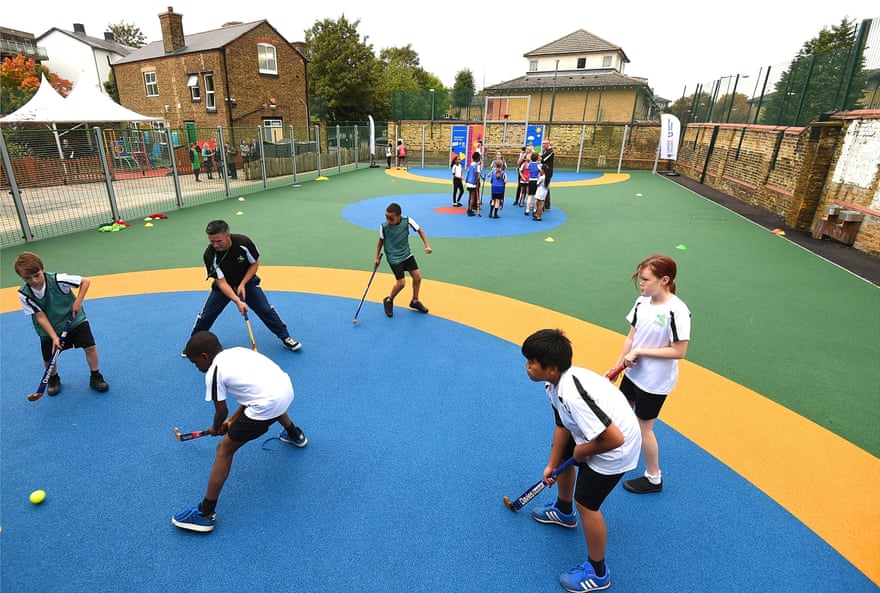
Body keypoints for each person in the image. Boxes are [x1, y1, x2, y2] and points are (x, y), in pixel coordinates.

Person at [521, 329, 640, 592]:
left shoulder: (573, 395)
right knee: (565, 452)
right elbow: (562, 426)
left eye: (531, 362)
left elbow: (614, 439)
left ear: (551, 368)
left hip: (616, 448)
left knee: (587, 503)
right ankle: (563, 512)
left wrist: (582, 452)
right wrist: (553, 464)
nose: (527, 367)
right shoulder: (553, 385)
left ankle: (598, 573)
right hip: (594, 434)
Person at [172, 330, 307, 533]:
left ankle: (206, 513)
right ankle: (295, 434)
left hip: (268, 404)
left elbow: (221, 410)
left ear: (204, 357)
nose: (197, 367)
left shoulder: (214, 372)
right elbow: (250, 396)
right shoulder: (237, 353)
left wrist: (217, 427)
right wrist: (232, 421)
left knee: (224, 449)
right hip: (286, 389)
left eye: (195, 363)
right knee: (268, 402)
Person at [615, 254, 691, 494]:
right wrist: (617, 367)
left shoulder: (677, 311)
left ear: (664, 280)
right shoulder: (641, 302)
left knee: (643, 427)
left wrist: (640, 352)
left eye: (646, 279)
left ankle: (653, 478)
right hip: (632, 373)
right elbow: (631, 337)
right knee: (620, 413)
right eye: (640, 279)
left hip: (654, 382)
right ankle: (617, 452)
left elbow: (679, 351)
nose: (641, 283)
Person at [186, 220, 302, 354]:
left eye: (218, 241)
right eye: (212, 241)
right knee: (207, 315)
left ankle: (286, 337)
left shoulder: (243, 243)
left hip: (247, 282)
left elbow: (254, 264)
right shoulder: (210, 255)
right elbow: (222, 282)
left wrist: (242, 284)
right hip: (224, 286)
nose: (215, 245)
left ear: (228, 235)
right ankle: (193, 346)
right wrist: (237, 301)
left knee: (265, 309)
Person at [14, 252, 109, 396]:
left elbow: (85, 281)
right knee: (49, 359)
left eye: (37, 275)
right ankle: (53, 378)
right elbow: (40, 316)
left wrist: (77, 302)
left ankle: (95, 376)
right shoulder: (24, 294)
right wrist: (54, 337)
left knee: (90, 347)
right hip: (48, 328)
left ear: (43, 269)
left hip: (74, 320)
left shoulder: (58, 280)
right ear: (21, 277)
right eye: (28, 278)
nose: (34, 280)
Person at [375, 202, 432, 317]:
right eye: (386, 217)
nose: (388, 220)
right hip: (394, 257)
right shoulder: (384, 227)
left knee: (417, 277)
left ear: (399, 216)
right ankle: (389, 300)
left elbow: (420, 230)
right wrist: (377, 257)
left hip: (406, 254)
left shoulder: (407, 221)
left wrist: (427, 245)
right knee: (401, 283)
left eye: (391, 218)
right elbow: (381, 241)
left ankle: (415, 301)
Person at [465, 151, 482, 217]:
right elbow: (476, 175)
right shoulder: (477, 166)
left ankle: (469, 208)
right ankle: (470, 210)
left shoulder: (471, 164)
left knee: (470, 197)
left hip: (469, 182)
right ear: (478, 158)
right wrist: (477, 183)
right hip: (473, 183)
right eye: (480, 157)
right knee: (472, 197)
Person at [524, 151, 540, 217]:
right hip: (536, 181)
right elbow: (540, 172)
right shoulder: (538, 165)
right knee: (536, 197)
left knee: (530, 196)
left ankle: (527, 210)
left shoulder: (529, 164)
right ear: (537, 158)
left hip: (530, 181)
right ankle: (535, 209)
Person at [541, 139, 555, 210]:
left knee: (546, 186)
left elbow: (542, 159)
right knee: (544, 186)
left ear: (548, 144)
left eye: (545, 143)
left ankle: (546, 204)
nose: (543, 145)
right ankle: (544, 203)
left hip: (548, 172)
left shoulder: (550, 152)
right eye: (543, 143)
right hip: (543, 171)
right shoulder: (545, 151)